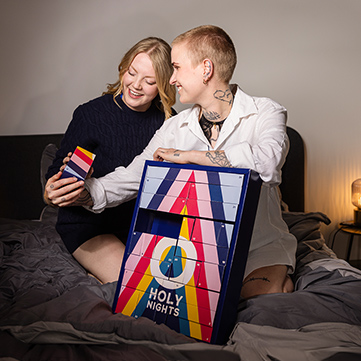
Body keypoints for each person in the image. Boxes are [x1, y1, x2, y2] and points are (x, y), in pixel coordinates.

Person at [48, 25, 297, 299]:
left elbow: (267, 164)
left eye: (176, 67)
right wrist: (87, 193)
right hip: (201, 252)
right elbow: (135, 175)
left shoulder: (265, 112)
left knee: (256, 299)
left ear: (206, 69)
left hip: (258, 247)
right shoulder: (174, 127)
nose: (172, 78)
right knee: (190, 301)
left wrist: (188, 157)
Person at [44, 37, 176, 284]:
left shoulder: (171, 123)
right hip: (90, 226)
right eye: (131, 73)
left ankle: (101, 275)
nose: (135, 85)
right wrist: (56, 189)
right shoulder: (91, 114)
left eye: (149, 81)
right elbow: (55, 176)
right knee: (137, 288)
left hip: (141, 225)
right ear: (122, 68)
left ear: (164, 85)